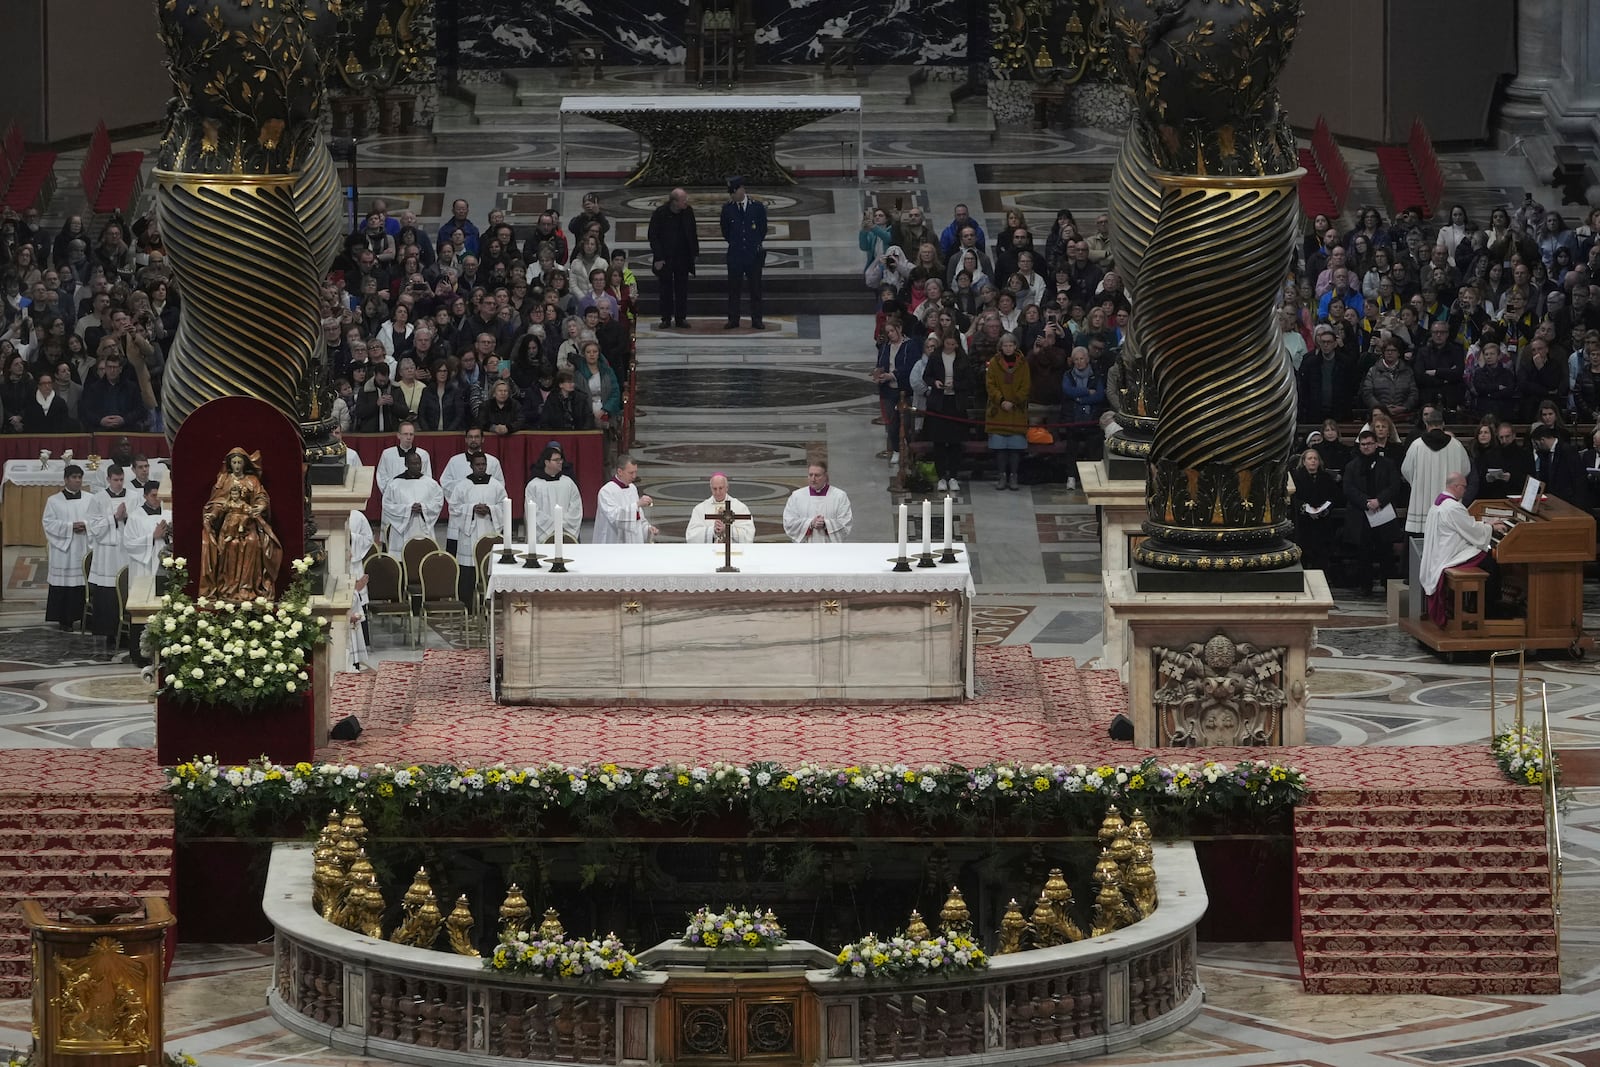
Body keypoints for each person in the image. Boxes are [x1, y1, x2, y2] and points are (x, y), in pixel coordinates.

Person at [1419, 471, 1506, 627]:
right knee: (1490, 562)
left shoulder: (1440, 502)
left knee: (1485, 557)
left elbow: (1466, 526)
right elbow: (1471, 530)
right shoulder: (1453, 507)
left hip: (1442, 553)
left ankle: (1475, 605)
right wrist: (1490, 527)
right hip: (1450, 555)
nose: (1465, 491)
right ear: (1457, 487)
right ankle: (1487, 611)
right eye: (1464, 488)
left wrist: (1487, 525)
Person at [201, 449, 285, 601]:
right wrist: (213, 514)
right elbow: (217, 503)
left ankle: (246, 587)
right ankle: (228, 587)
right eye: (234, 462)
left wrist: (260, 506)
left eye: (240, 462)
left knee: (253, 543)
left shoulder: (252, 480)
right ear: (230, 464)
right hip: (228, 526)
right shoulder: (224, 480)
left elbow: (261, 497)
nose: (237, 466)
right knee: (230, 546)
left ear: (245, 463)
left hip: (249, 523)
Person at [1342, 430, 1406, 595]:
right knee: (1363, 552)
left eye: (1370, 443)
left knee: (1385, 551)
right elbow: (1348, 489)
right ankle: (1365, 586)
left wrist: (1379, 500)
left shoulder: (1388, 464)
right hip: (1361, 515)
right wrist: (1365, 502)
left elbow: (1394, 486)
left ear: (1376, 444)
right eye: (1363, 444)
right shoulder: (1351, 465)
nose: (1366, 447)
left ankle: (1388, 586)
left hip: (1382, 512)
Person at [450, 451, 510, 604]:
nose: (481, 467)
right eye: (478, 465)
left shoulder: (496, 485)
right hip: (469, 535)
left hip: (489, 531)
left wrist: (490, 509)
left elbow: (504, 506)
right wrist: (472, 509)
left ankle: (490, 604)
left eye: (483, 464)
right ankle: (468, 606)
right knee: (468, 571)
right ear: (471, 466)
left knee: (488, 568)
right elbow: (454, 508)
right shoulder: (462, 486)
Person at [122, 480, 169, 667]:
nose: (156, 499)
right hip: (143, 566)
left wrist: (167, 534)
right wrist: (152, 536)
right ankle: (141, 653)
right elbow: (129, 543)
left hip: (162, 565)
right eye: (152, 496)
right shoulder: (135, 517)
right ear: (145, 496)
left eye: (159, 496)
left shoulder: (169, 513)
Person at [1400, 409, 1471, 534]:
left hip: (1422, 501)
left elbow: (1406, 470)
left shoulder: (1417, 445)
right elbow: (1465, 470)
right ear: (1443, 424)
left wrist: (1417, 483)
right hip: (1448, 504)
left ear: (1427, 424)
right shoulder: (1456, 445)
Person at [42, 465, 94, 630]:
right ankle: (65, 619)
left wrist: (86, 525)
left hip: (83, 545)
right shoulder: (54, 500)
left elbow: (97, 519)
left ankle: (85, 617)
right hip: (64, 550)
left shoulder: (90, 498)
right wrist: (70, 526)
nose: (78, 480)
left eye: (80, 477)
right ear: (65, 480)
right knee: (64, 585)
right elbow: (48, 523)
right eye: (74, 477)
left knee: (82, 582)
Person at [84, 463, 131, 645]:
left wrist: (126, 517)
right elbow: (93, 526)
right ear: (108, 480)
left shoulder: (133, 497)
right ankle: (108, 630)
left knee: (125, 586)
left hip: (125, 551)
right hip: (106, 554)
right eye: (115, 480)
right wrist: (113, 518)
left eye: (121, 480)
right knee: (107, 591)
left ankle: (125, 631)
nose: (119, 483)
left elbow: (138, 521)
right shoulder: (98, 499)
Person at [438, 427, 504, 555]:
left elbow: (499, 487)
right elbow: (445, 483)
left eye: (477, 437)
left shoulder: (493, 462)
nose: (474, 440)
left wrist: (488, 507)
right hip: (463, 519)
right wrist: (465, 492)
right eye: (471, 437)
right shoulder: (454, 461)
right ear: (466, 439)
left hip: (487, 518)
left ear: (482, 439)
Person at [720, 176, 767, 329]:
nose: (732, 195)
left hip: (753, 255)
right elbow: (725, 231)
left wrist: (752, 243)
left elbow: (762, 229)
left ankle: (757, 319)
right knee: (734, 289)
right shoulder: (727, 209)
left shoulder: (757, 207)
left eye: (734, 191)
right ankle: (733, 319)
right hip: (735, 256)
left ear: (742, 189)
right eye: (731, 193)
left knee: (756, 289)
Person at [985, 332, 1031, 490]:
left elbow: (1026, 386)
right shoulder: (994, 362)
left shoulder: (1023, 363)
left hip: (1016, 410)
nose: (1008, 348)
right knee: (1000, 448)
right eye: (1005, 345)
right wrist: (1001, 400)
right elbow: (990, 385)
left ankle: (1014, 476)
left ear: (1015, 346)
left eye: (1011, 345)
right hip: (999, 411)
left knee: (1014, 447)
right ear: (1001, 347)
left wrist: (1014, 401)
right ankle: (1002, 476)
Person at [648, 188, 698, 329]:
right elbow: (653, 236)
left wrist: (694, 253)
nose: (686, 203)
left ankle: (681, 318)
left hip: (683, 258)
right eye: (683, 200)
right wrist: (658, 257)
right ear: (674, 202)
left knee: (682, 289)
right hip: (665, 258)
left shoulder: (688, 212)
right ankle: (666, 318)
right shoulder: (660, 213)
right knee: (665, 289)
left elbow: (692, 232)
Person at [380, 450, 445, 550]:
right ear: (406, 464)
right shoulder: (395, 484)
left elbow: (438, 502)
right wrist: (408, 509)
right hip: (401, 532)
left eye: (419, 463)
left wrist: (423, 508)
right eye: (414, 463)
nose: (417, 466)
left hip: (423, 527)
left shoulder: (431, 484)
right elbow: (387, 505)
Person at [1290, 448, 1339, 574]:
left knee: (1322, 555)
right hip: (1304, 522)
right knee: (1305, 553)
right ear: (1304, 462)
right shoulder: (1296, 477)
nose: (1313, 461)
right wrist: (1306, 508)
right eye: (1309, 458)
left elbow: (1332, 496)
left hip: (1322, 522)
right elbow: (1294, 498)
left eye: (1315, 458)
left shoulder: (1326, 477)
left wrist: (1324, 509)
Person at [525, 442, 583, 543]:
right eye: (556, 460)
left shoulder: (568, 482)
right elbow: (533, 511)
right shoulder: (534, 485)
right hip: (543, 535)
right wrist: (552, 527)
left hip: (566, 532)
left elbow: (576, 506)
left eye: (560, 459)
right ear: (546, 462)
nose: (560, 462)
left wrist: (562, 526)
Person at [782, 460, 853, 543]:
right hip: (804, 549)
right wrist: (810, 524)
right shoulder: (797, 496)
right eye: (810, 475)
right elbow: (789, 522)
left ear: (825, 476)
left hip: (830, 549)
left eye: (817, 475)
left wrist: (826, 524)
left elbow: (845, 522)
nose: (813, 479)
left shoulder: (839, 496)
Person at [594, 454, 656, 543]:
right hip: (613, 542)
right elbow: (615, 517)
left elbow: (638, 518)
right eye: (631, 473)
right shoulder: (606, 491)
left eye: (635, 472)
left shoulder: (632, 488)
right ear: (620, 471)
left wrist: (647, 529)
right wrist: (637, 504)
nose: (634, 476)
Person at [686, 473, 755, 544]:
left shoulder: (740, 507)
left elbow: (749, 535)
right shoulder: (700, 509)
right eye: (714, 489)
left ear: (727, 488)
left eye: (720, 488)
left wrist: (727, 529)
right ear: (711, 488)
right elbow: (691, 536)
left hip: (733, 551)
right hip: (709, 552)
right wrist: (712, 530)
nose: (718, 492)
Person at [1530, 423, 1587, 507]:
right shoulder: (1546, 455)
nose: (1537, 448)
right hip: (1555, 501)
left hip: (1569, 502)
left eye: (1537, 444)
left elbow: (1578, 478)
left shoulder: (1567, 451)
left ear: (1542, 440)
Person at [346, 509, 373, 671]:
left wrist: (351, 539)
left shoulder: (357, 516)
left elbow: (368, 539)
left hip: (354, 565)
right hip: (338, 562)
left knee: (358, 606)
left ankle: (359, 654)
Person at [375, 420, 432, 493]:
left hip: (416, 494)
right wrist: (391, 491)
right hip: (394, 494)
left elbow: (427, 477)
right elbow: (381, 476)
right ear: (398, 435)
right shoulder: (387, 454)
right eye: (405, 434)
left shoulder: (423, 454)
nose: (408, 437)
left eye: (411, 434)